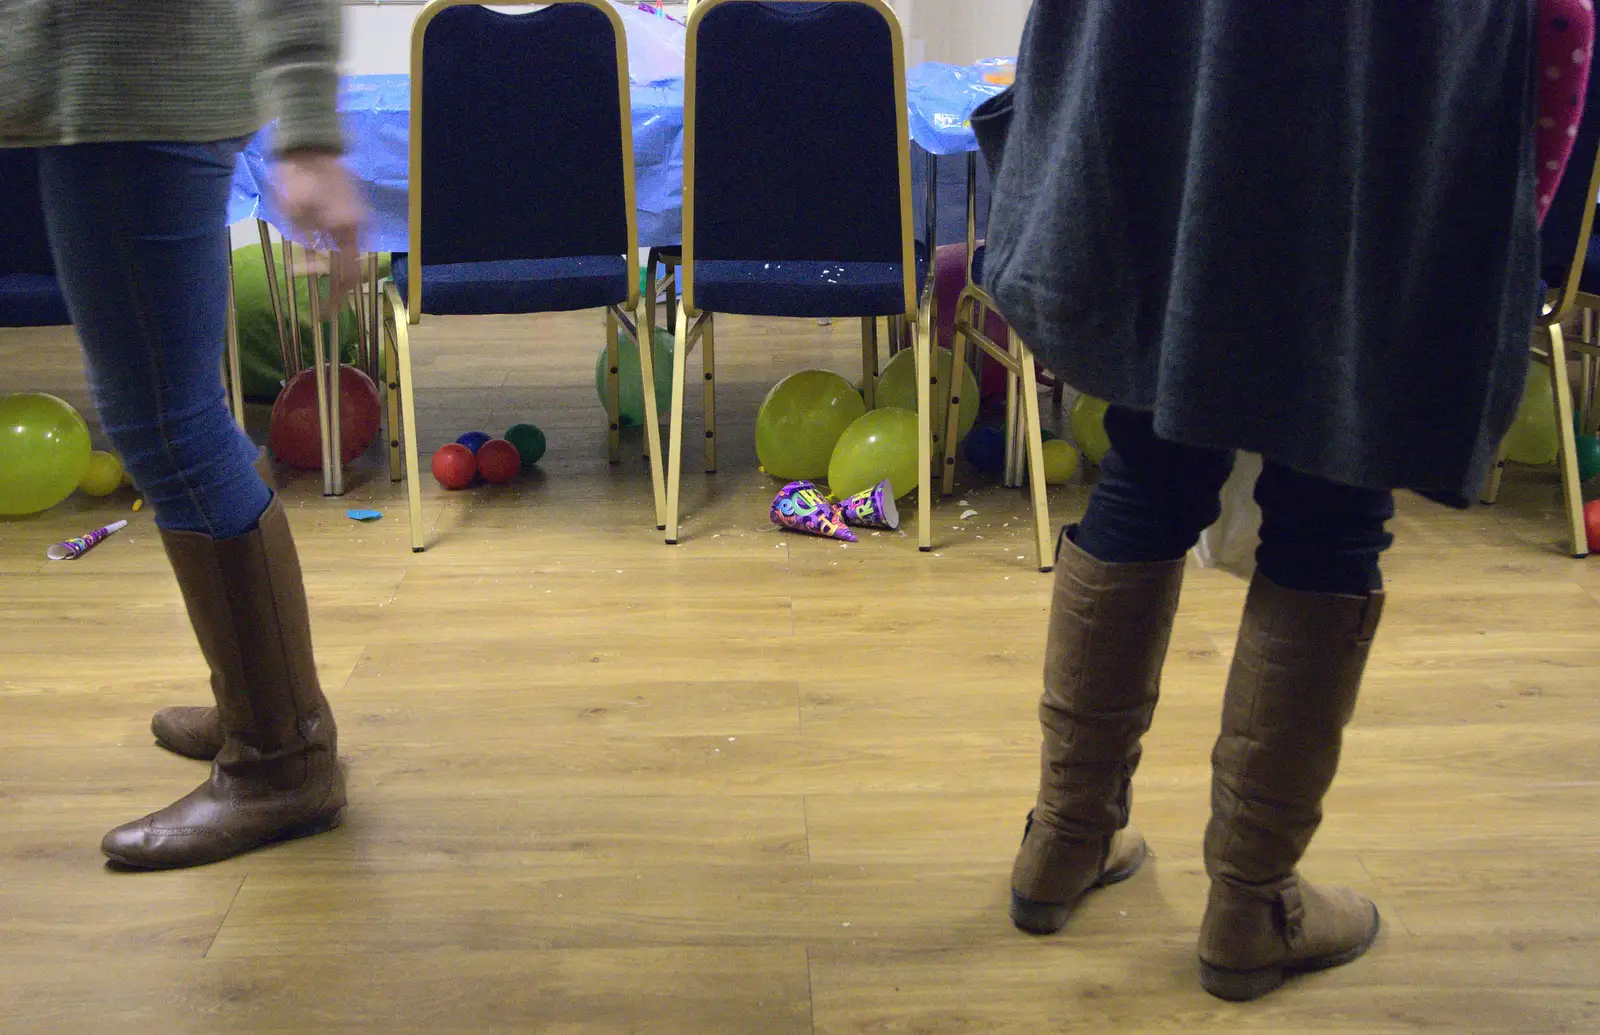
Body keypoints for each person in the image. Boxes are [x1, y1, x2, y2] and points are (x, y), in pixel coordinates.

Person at [974, 0, 1592, 1002]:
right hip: (1380, 119)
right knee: (1334, 489)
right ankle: (1251, 904)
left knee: (1147, 456)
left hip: (1164, 99)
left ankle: (1064, 837)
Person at [0, 0, 364, 869]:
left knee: (166, 425)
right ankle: (268, 708)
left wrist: (310, 128)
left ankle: (281, 760)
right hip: (96, 99)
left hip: (131, 98)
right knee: (176, 413)